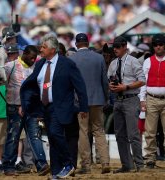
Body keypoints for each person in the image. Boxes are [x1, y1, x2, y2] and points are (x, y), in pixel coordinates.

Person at [20, 33, 88, 179]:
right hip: (45, 108)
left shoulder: (67, 63)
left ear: (53, 49)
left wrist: (83, 107)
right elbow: (33, 85)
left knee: (55, 133)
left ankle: (68, 164)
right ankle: (56, 172)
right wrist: (30, 104)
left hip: (61, 106)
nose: (40, 49)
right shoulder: (39, 64)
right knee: (52, 137)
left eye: (44, 47)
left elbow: (80, 86)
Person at [2, 45, 50, 176]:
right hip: (14, 107)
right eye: (31, 57)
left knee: (35, 136)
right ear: (24, 54)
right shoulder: (10, 66)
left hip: (32, 108)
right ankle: (8, 166)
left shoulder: (36, 67)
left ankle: (41, 164)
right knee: (13, 136)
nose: (33, 60)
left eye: (35, 58)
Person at [69, 33, 110, 174]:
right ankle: (105, 162)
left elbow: (70, 82)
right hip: (97, 99)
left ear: (76, 44)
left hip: (80, 101)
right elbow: (105, 81)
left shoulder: (72, 59)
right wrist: (106, 98)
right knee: (99, 130)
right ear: (87, 42)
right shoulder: (99, 58)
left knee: (83, 132)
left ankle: (86, 164)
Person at [107, 36, 145, 173]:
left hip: (130, 98)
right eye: (114, 47)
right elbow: (109, 79)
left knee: (133, 134)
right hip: (118, 99)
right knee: (120, 134)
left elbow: (142, 80)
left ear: (124, 46)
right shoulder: (113, 63)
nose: (114, 49)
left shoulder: (133, 61)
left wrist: (126, 87)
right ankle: (127, 164)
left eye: (117, 46)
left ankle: (139, 164)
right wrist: (111, 85)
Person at [140, 33, 165, 168]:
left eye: (160, 44)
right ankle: (150, 158)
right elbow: (143, 82)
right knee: (150, 131)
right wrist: (142, 99)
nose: (158, 47)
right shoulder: (148, 61)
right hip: (151, 99)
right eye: (155, 45)